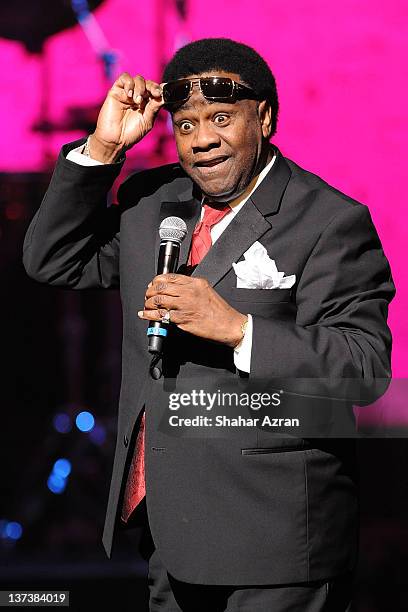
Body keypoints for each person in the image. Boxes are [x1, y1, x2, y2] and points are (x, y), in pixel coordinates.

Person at [23, 38, 395, 611]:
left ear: (264, 117)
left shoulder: (329, 221)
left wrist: (239, 330)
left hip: (274, 545)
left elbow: (363, 370)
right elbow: (53, 259)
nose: (201, 140)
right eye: (186, 122)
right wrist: (103, 147)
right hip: (170, 533)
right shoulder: (155, 203)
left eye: (221, 118)